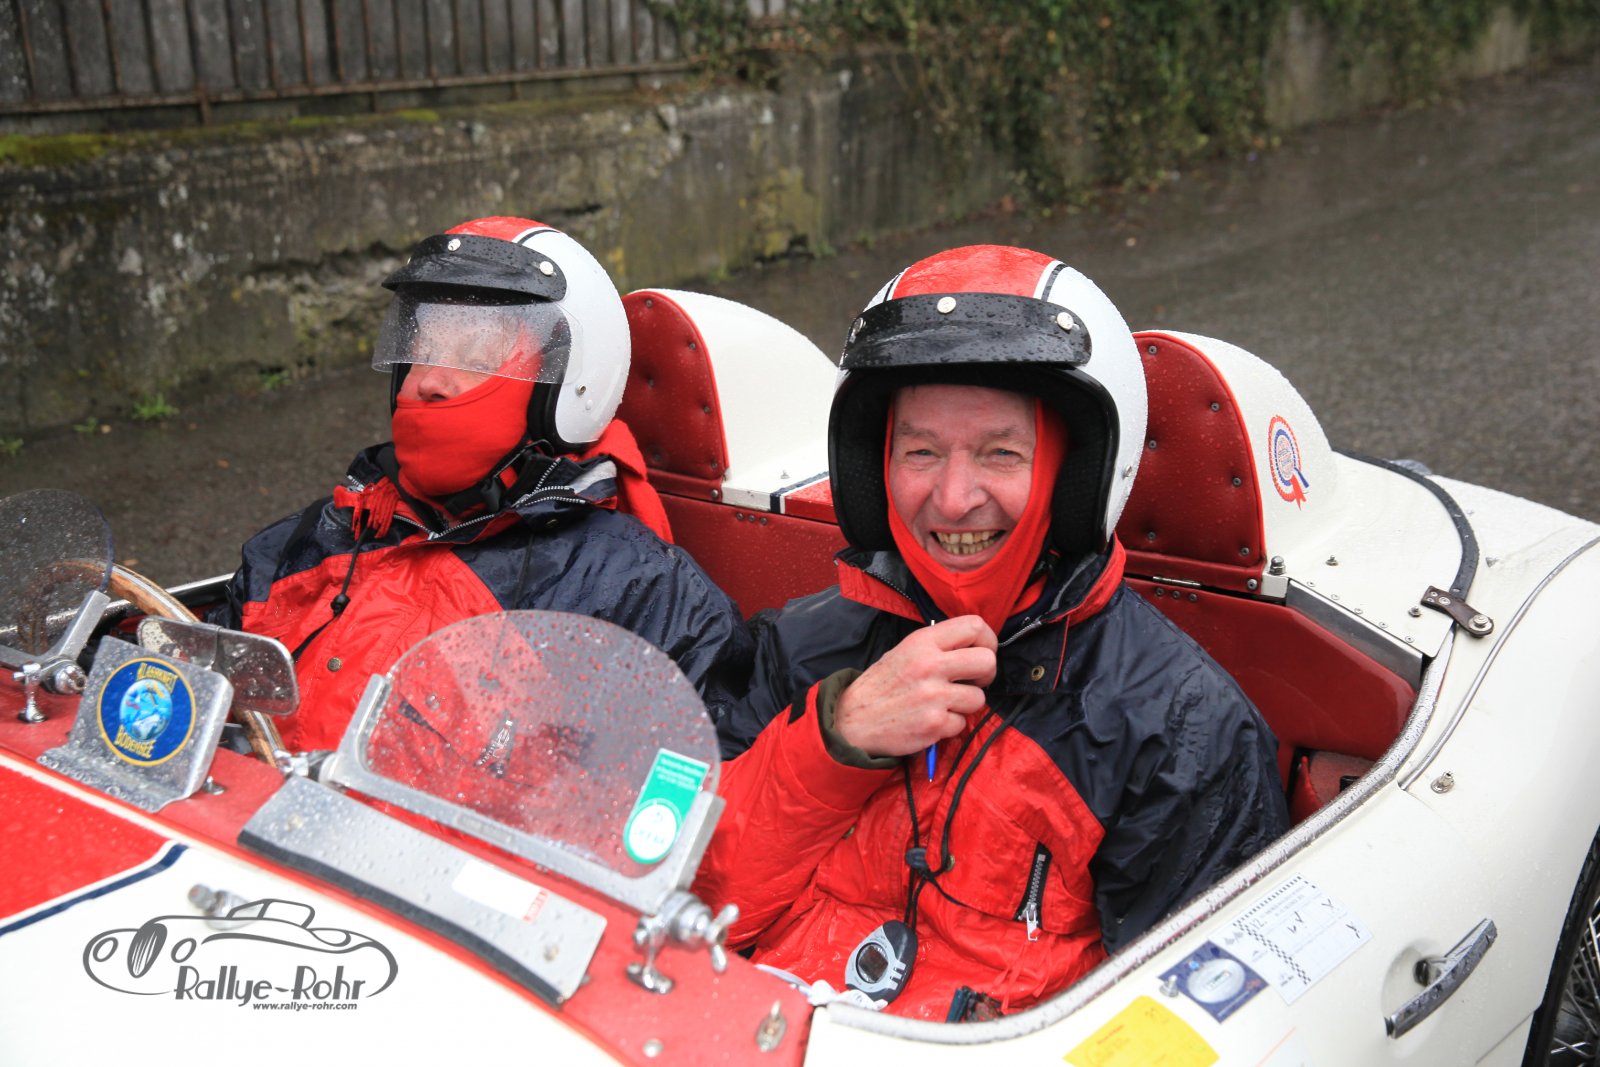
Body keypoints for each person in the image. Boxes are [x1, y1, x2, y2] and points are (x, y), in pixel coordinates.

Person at [694, 245, 1289, 1021]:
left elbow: (1192, 1025)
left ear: (1077, 476)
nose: (952, 497)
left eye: (1000, 453)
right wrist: (833, 740)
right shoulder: (798, 648)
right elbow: (682, 898)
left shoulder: (1180, 728)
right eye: (921, 451)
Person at [215, 216, 751, 753]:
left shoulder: (633, 587)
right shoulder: (308, 542)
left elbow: (692, 779)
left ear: (563, 388)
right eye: (422, 352)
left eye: (475, 359)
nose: (429, 381)